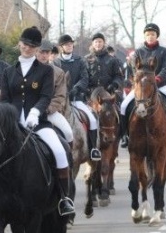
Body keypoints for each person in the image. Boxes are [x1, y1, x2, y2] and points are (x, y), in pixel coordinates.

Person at [0, 26, 74, 217]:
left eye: (32, 46)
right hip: (12, 125)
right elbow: (5, 100)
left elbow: (46, 96)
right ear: (19, 44)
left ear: (37, 48)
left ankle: (64, 198)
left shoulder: (45, 71)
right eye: (25, 44)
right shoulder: (8, 72)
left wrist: (35, 112)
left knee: (59, 152)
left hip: (38, 123)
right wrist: (11, 119)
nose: (27, 48)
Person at [119, 23, 166, 146]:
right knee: (123, 106)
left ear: (157, 36)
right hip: (142, 87)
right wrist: (141, 82)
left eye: (153, 34)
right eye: (148, 34)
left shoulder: (164, 51)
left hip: (161, 86)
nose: (150, 36)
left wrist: (157, 79)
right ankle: (124, 135)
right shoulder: (138, 52)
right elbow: (134, 69)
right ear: (145, 36)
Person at [53, 33, 100, 161]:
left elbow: (85, 78)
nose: (69, 46)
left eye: (71, 44)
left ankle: (93, 149)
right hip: (60, 100)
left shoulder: (80, 60)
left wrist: (76, 88)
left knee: (92, 120)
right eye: (66, 45)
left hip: (76, 99)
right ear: (61, 47)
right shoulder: (55, 62)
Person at [35, 42, 73, 146]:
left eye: (47, 52)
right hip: (29, 111)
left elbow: (60, 96)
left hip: (49, 113)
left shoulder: (58, 72)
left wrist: (47, 109)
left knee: (69, 133)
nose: (44, 55)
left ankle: (69, 156)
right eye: (41, 52)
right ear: (36, 52)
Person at [86, 32, 124, 99]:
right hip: (91, 94)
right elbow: (83, 77)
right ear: (92, 44)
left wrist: (114, 84)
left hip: (109, 92)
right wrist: (87, 88)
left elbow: (118, 76)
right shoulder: (86, 60)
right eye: (96, 42)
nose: (98, 44)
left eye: (100, 41)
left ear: (104, 43)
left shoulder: (112, 59)